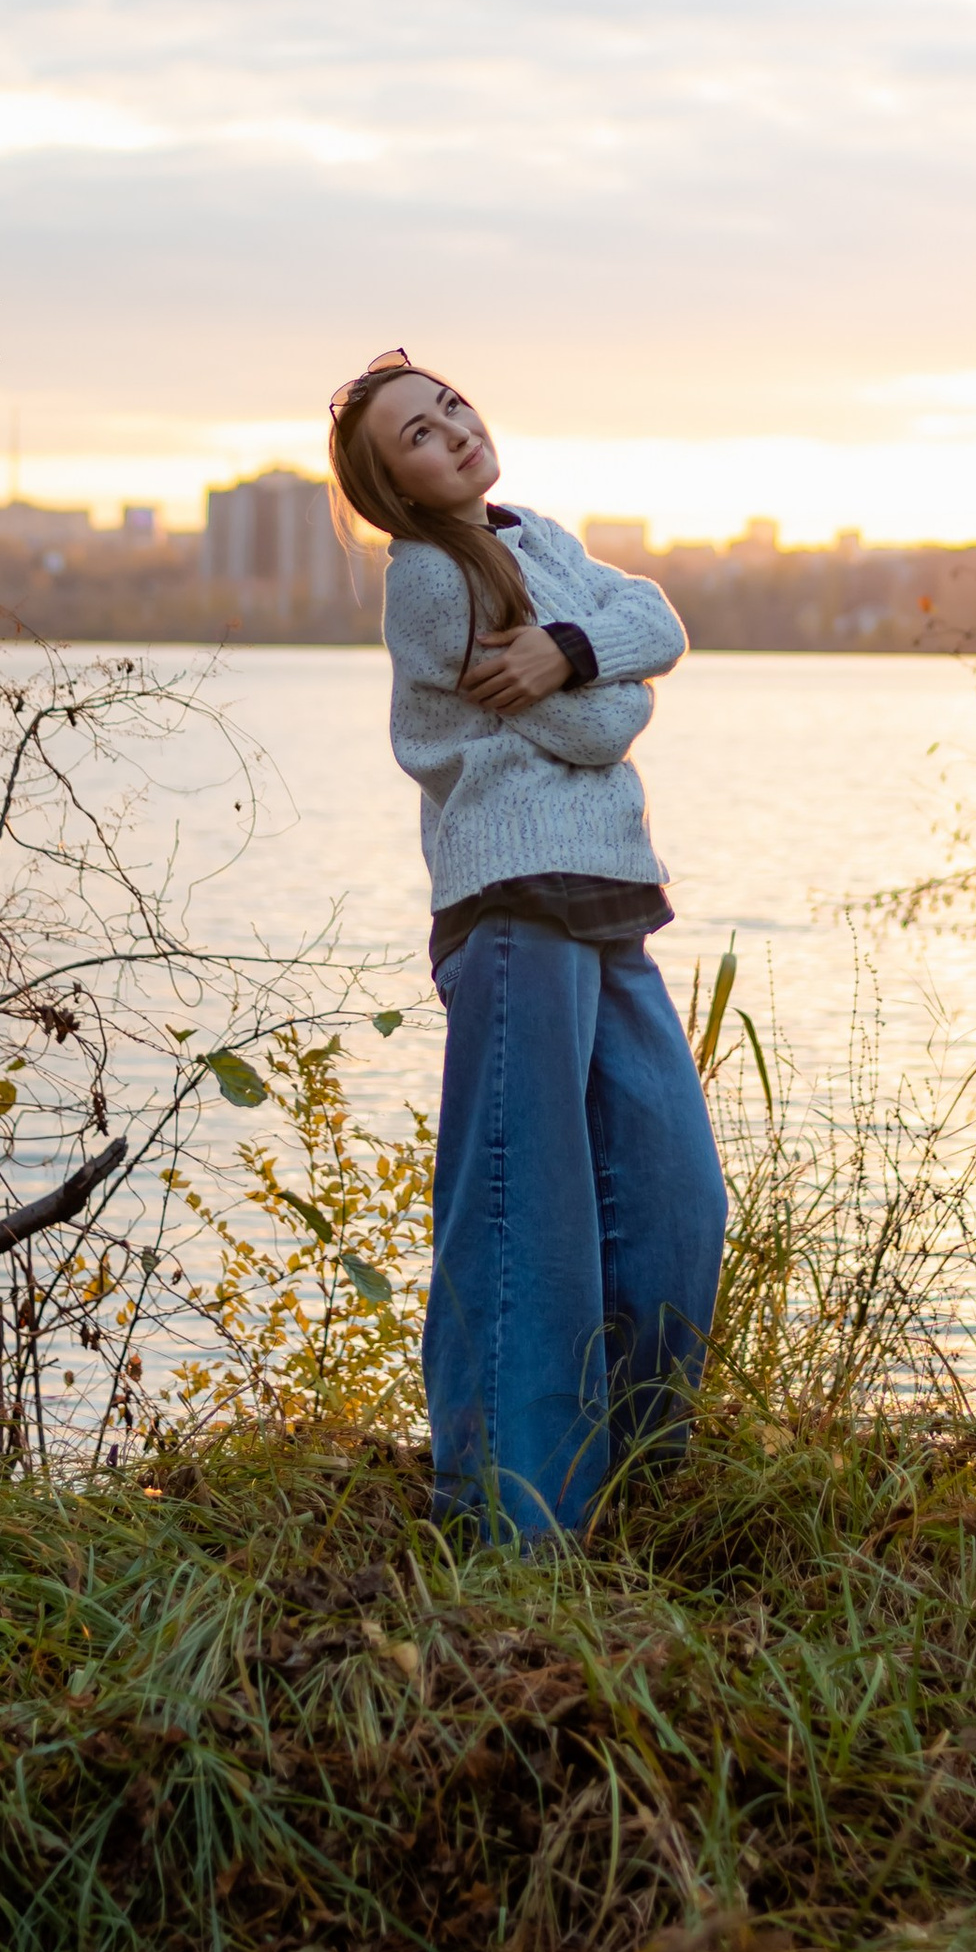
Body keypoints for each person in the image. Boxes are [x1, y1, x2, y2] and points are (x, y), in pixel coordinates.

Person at [327, 349, 727, 1541]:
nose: (451, 430)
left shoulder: (536, 532)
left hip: (606, 899)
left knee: (675, 1202)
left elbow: (656, 617)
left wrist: (574, 643)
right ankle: (511, 1533)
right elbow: (608, 722)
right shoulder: (430, 580)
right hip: (511, 907)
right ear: (391, 487)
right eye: (416, 433)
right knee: (520, 1221)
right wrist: (588, 660)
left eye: (449, 406)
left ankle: (639, 1496)